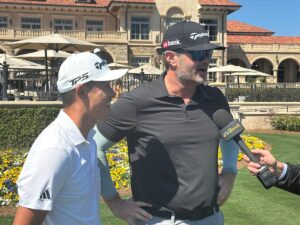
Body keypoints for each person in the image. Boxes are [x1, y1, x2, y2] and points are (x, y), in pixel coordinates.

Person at [95, 21, 239, 225]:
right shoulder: (136, 102)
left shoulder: (215, 98)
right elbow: (94, 147)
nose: (207, 60)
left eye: (208, 53)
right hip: (159, 220)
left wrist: (230, 171)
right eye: (198, 54)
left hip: (211, 218)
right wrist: (114, 202)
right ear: (171, 58)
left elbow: (230, 134)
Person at [13, 52, 128, 225]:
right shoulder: (55, 149)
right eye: (105, 85)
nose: (113, 92)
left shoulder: (87, 139)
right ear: (81, 91)